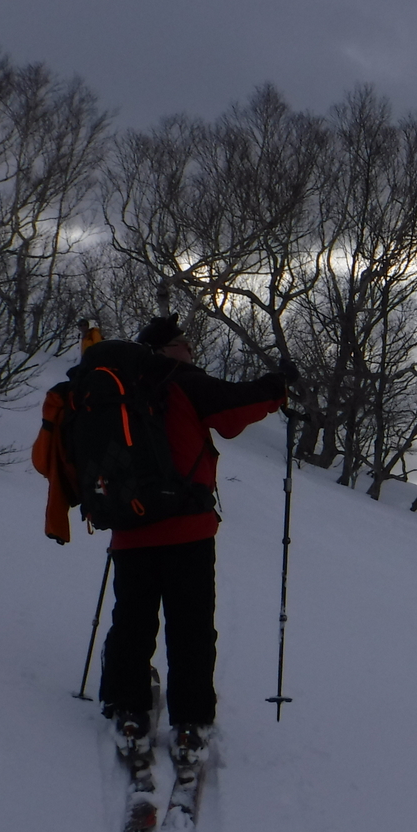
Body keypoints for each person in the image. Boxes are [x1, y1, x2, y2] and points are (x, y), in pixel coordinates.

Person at [97, 314, 290, 765]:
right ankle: (189, 722)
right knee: (191, 626)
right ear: (164, 350)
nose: (190, 349)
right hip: (187, 528)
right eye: (183, 343)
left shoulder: (112, 392)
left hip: (130, 528)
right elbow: (233, 409)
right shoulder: (183, 381)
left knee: (132, 620)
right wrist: (278, 385)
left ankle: (129, 710)